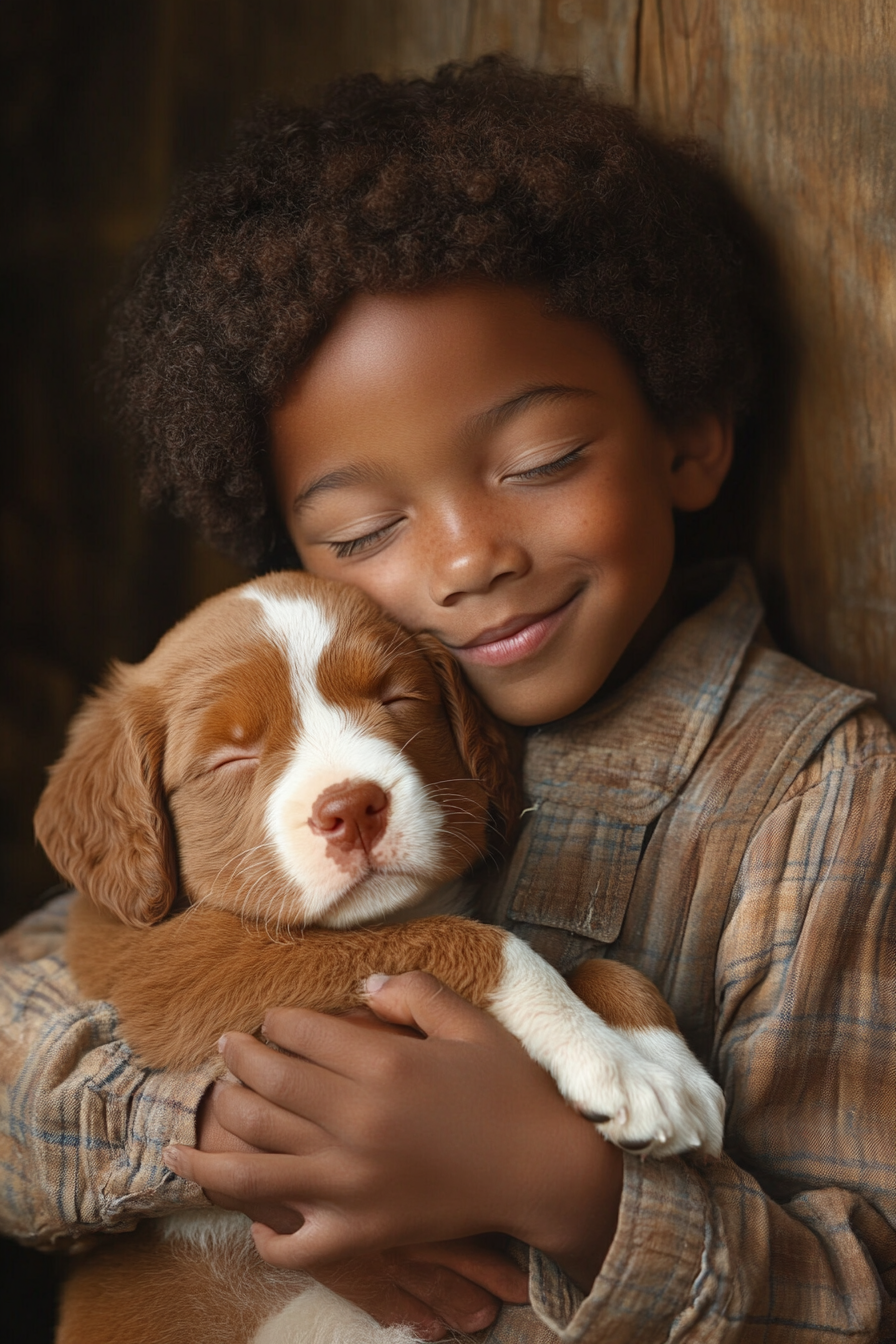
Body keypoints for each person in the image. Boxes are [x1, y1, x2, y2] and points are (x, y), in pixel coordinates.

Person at [2, 57, 895, 1342]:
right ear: (289, 560)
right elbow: (19, 1034)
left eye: (541, 461)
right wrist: (245, 1151)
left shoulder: (813, 787)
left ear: (688, 436)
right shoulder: (231, 750)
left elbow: (857, 1290)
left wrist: (565, 1193)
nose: (467, 559)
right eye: (363, 529)